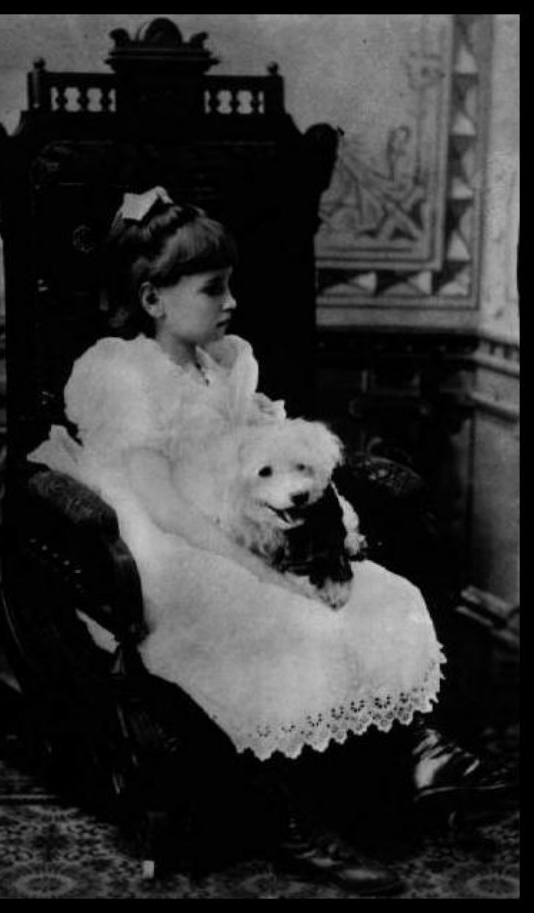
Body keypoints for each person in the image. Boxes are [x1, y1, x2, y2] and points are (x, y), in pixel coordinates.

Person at [29, 188, 510, 895]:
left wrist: (314, 531)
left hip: (234, 517)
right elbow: (160, 506)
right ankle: (293, 815)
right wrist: (255, 569)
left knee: (381, 590)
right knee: (275, 614)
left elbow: (263, 457)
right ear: (153, 298)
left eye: (231, 285)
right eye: (212, 288)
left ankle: (417, 750)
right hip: (164, 542)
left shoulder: (227, 362)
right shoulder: (120, 372)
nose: (230, 302)